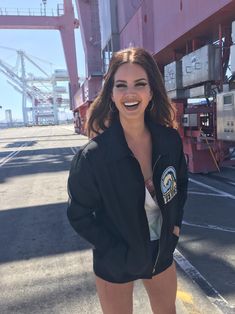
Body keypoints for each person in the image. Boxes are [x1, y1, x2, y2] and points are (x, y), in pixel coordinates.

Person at [67, 47, 188, 314]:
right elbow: (79, 214)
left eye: (139, 84)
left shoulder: (169, 142)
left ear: (151, 91)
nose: (130, 93)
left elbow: (180, 182)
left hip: (161, 252)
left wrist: (175, 226)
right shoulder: (92, 158)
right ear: (111, 94)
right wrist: (115, 250)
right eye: (121, 85)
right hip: (116, 261)